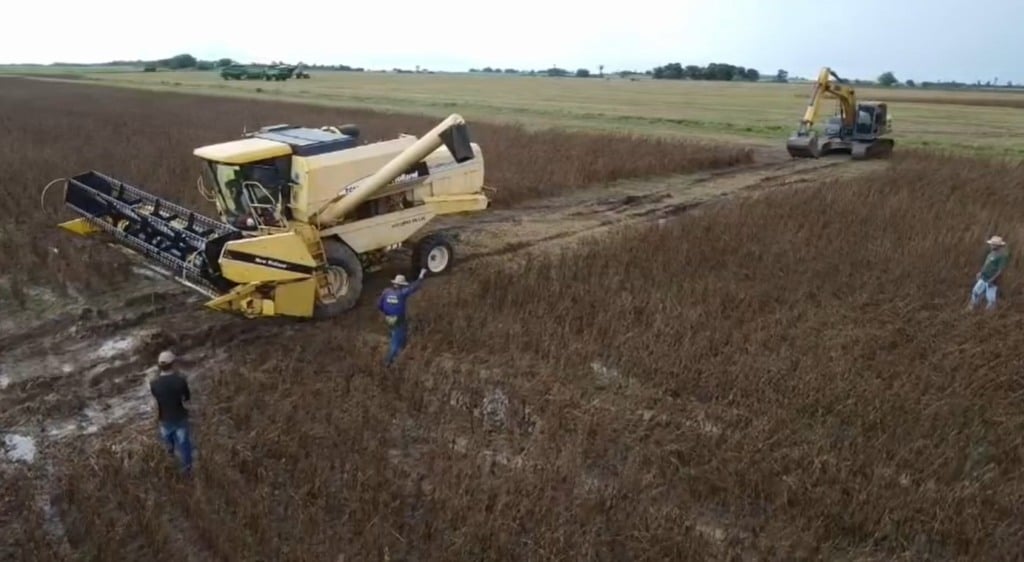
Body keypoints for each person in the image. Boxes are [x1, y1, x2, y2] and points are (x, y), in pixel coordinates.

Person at [149, 350, 193, 475]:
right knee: (184, 446)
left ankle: (170, 471)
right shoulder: (180, 380)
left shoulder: (154, 384)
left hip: (164, 419)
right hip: (180, 417)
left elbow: (157, 401)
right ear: (173, 364)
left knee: (168, 447)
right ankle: (187, 472)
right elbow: (186, 399)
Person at [378, 268, 428, 366]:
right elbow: (415, 286)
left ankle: (402, 352)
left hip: (388, 318)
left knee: (398, 334)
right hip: (398, 319)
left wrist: (386, 313)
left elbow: (379, 305)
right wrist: (421, 275)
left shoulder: (386, 292)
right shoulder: (401, 294)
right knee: (396, 341)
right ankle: (388, 362)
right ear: (401, 285)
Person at [970, 235, 1009, 310]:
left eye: (993, 244)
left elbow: (1000, 270)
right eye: (991, 244)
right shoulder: (991, 253)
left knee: (991, 298)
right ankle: (972, 307)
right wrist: (980, 272)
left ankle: (990, 314)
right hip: (984, 277)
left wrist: (992, 279)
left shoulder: (1002, 256)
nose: (991, 246)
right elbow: (986, 265)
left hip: (992, 280)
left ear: (998, 246)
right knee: (975, 292)